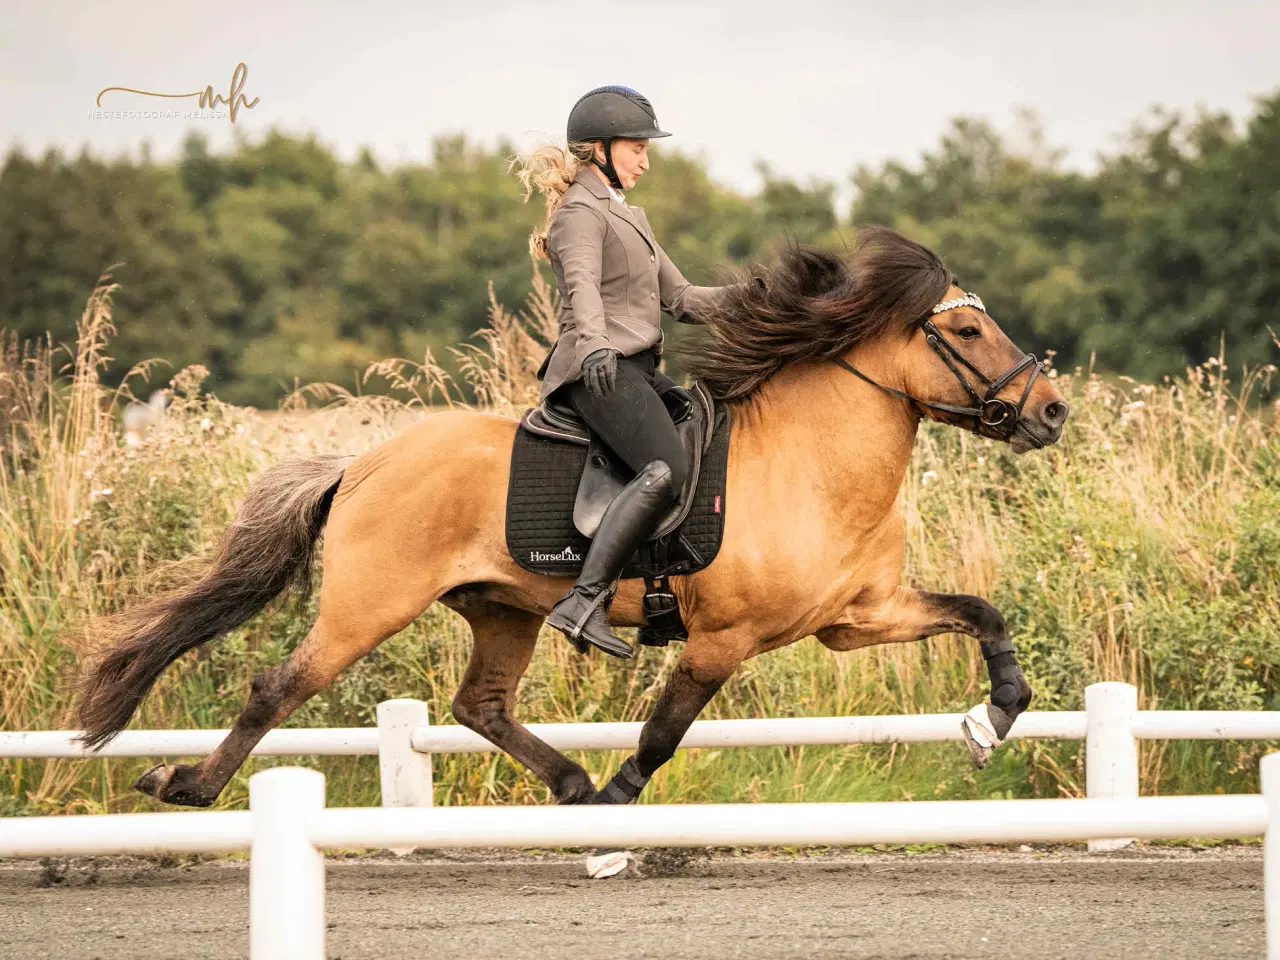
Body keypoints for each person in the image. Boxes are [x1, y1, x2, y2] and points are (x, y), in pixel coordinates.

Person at [510, 85, 752, 660]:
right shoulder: (578, 215)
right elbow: (582, 290)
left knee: (704, 427)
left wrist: (759, 299)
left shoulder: (628, 216)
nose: (646, 161)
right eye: (637, 148)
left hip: (637, 369)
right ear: (598, 149)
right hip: (599, 370)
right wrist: (593, 346)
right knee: (664, 468)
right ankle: (584, 600)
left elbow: (686, 299)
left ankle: (662, 595)